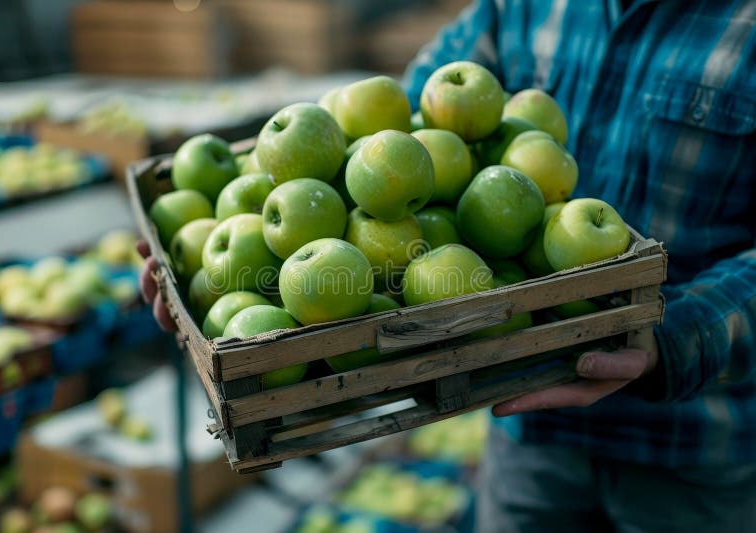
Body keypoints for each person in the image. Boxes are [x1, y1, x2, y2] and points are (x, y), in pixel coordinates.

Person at [140, 1, 756, 531]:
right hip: (526, 424)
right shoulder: (522, 6)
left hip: (690, 445)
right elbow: (397, 125)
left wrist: (675, 335)